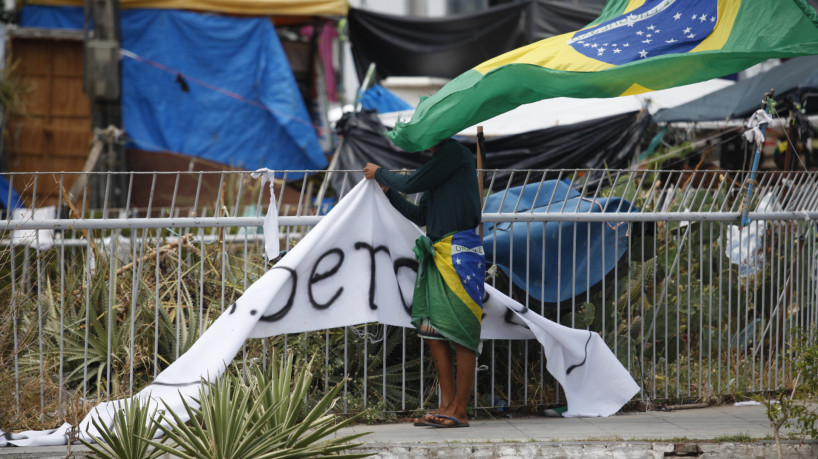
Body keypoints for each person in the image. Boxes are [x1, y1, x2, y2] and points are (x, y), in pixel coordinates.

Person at [363, 138, 485, 428]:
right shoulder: (437, 165)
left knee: (460, 333)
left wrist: (380, 173)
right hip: (437, 251)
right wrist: (389, 192)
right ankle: (446, 405)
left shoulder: (454, 152)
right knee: (434, 332)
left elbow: (411, 183)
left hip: (459, 252)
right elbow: (420, 215)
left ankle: (460, 410)